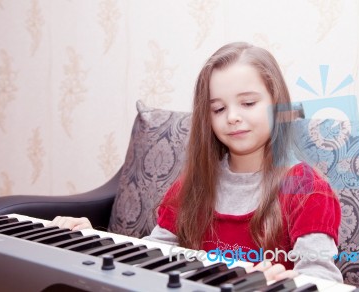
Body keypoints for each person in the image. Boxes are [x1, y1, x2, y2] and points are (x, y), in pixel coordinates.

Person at [49, 42, 343, 283]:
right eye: (218, 108)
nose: (232, 117)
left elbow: (323, 276)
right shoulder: (194, 184)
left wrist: (282, 284)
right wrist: (95, 240)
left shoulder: (306, 189)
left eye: (248, 103)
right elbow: (155, 255)